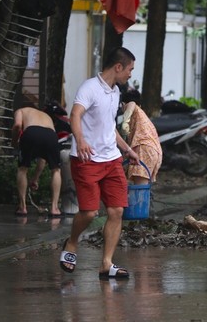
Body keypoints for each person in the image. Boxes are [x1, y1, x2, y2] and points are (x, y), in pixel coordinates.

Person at [59, 47, 140, 279]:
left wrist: (127, 150)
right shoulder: (89, 88)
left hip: (112, 159)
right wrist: (81, 140)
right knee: (90, 213)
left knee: (116, 211)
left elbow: (109, 127)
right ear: (118, 67)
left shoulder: (115, 93)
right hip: (87, 159)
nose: (130, 74)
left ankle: (106, 263)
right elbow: (74, 115)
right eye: (130, 69)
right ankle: (72, 242)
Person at [12, 106, 62, 217]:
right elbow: (42, 158)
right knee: (56, 170)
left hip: (31, 132)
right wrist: (35, 178)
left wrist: (14, 142)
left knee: (22, 169)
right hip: (51, 135)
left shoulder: (20, 110)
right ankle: (54, 208)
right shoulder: (46, 117)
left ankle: (22, 207)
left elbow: (17, 125)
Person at [119, 88, 162, 185]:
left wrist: (125, 120)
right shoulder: (140, 114)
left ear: (122, 104)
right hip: (153, 150)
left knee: (140, 191)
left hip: (144, 150)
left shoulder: (131, 107)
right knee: (139, 187)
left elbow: (131, 104)